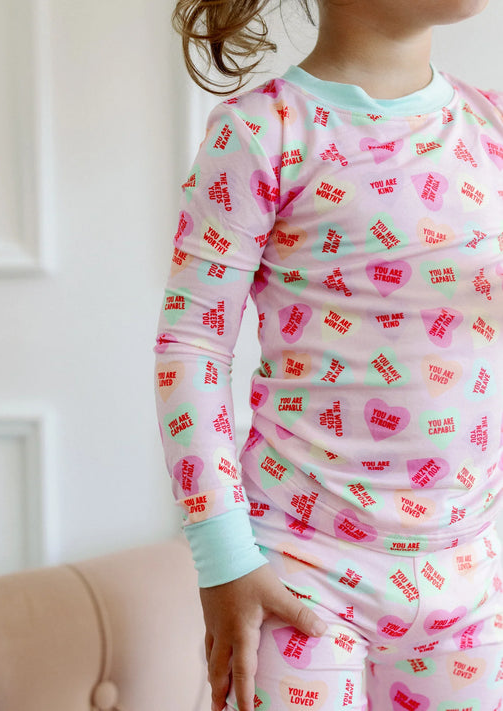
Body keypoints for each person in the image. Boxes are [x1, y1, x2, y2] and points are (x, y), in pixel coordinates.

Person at [154, 1, 503, 709]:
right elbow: (191, 344)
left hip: (469, 577)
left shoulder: (490, 127)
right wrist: (223, 558)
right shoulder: (262, 130)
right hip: (297, 568)